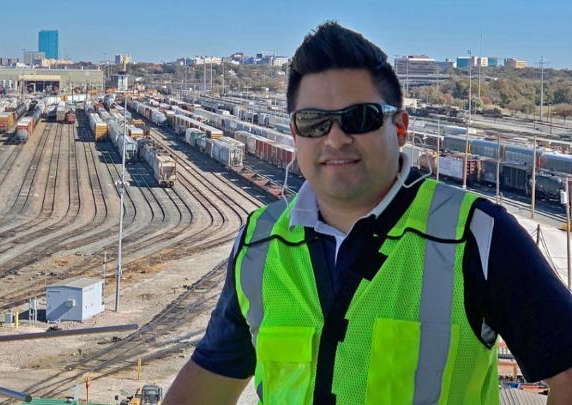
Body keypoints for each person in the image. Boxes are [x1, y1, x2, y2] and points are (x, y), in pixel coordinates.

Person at [166, 21, 572, 404]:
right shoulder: (260, 240)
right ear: (294, 133)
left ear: (400, 127)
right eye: (314, 122)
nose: (336, 138)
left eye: (359, 118)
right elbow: (212, 375)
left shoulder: (477, 235)